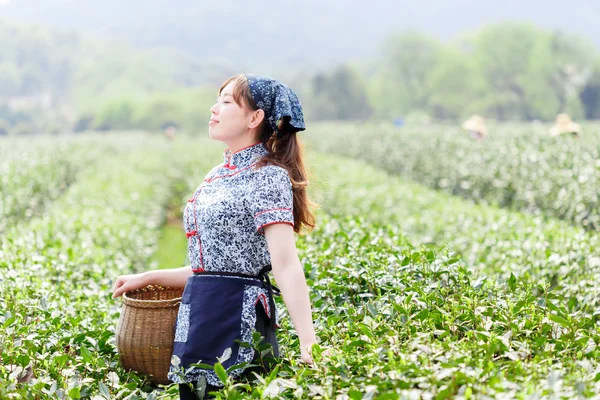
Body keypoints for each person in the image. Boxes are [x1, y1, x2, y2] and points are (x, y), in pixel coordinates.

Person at [112, 73, 320, 399]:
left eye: (225, 102)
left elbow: (286, 264)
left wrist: (308, 343)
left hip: (240, 321)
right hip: (199, 318)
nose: (213, 109)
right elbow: (210, 268)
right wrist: (149, 277)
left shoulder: (268, 177)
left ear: (255, 117)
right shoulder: (216, 175)